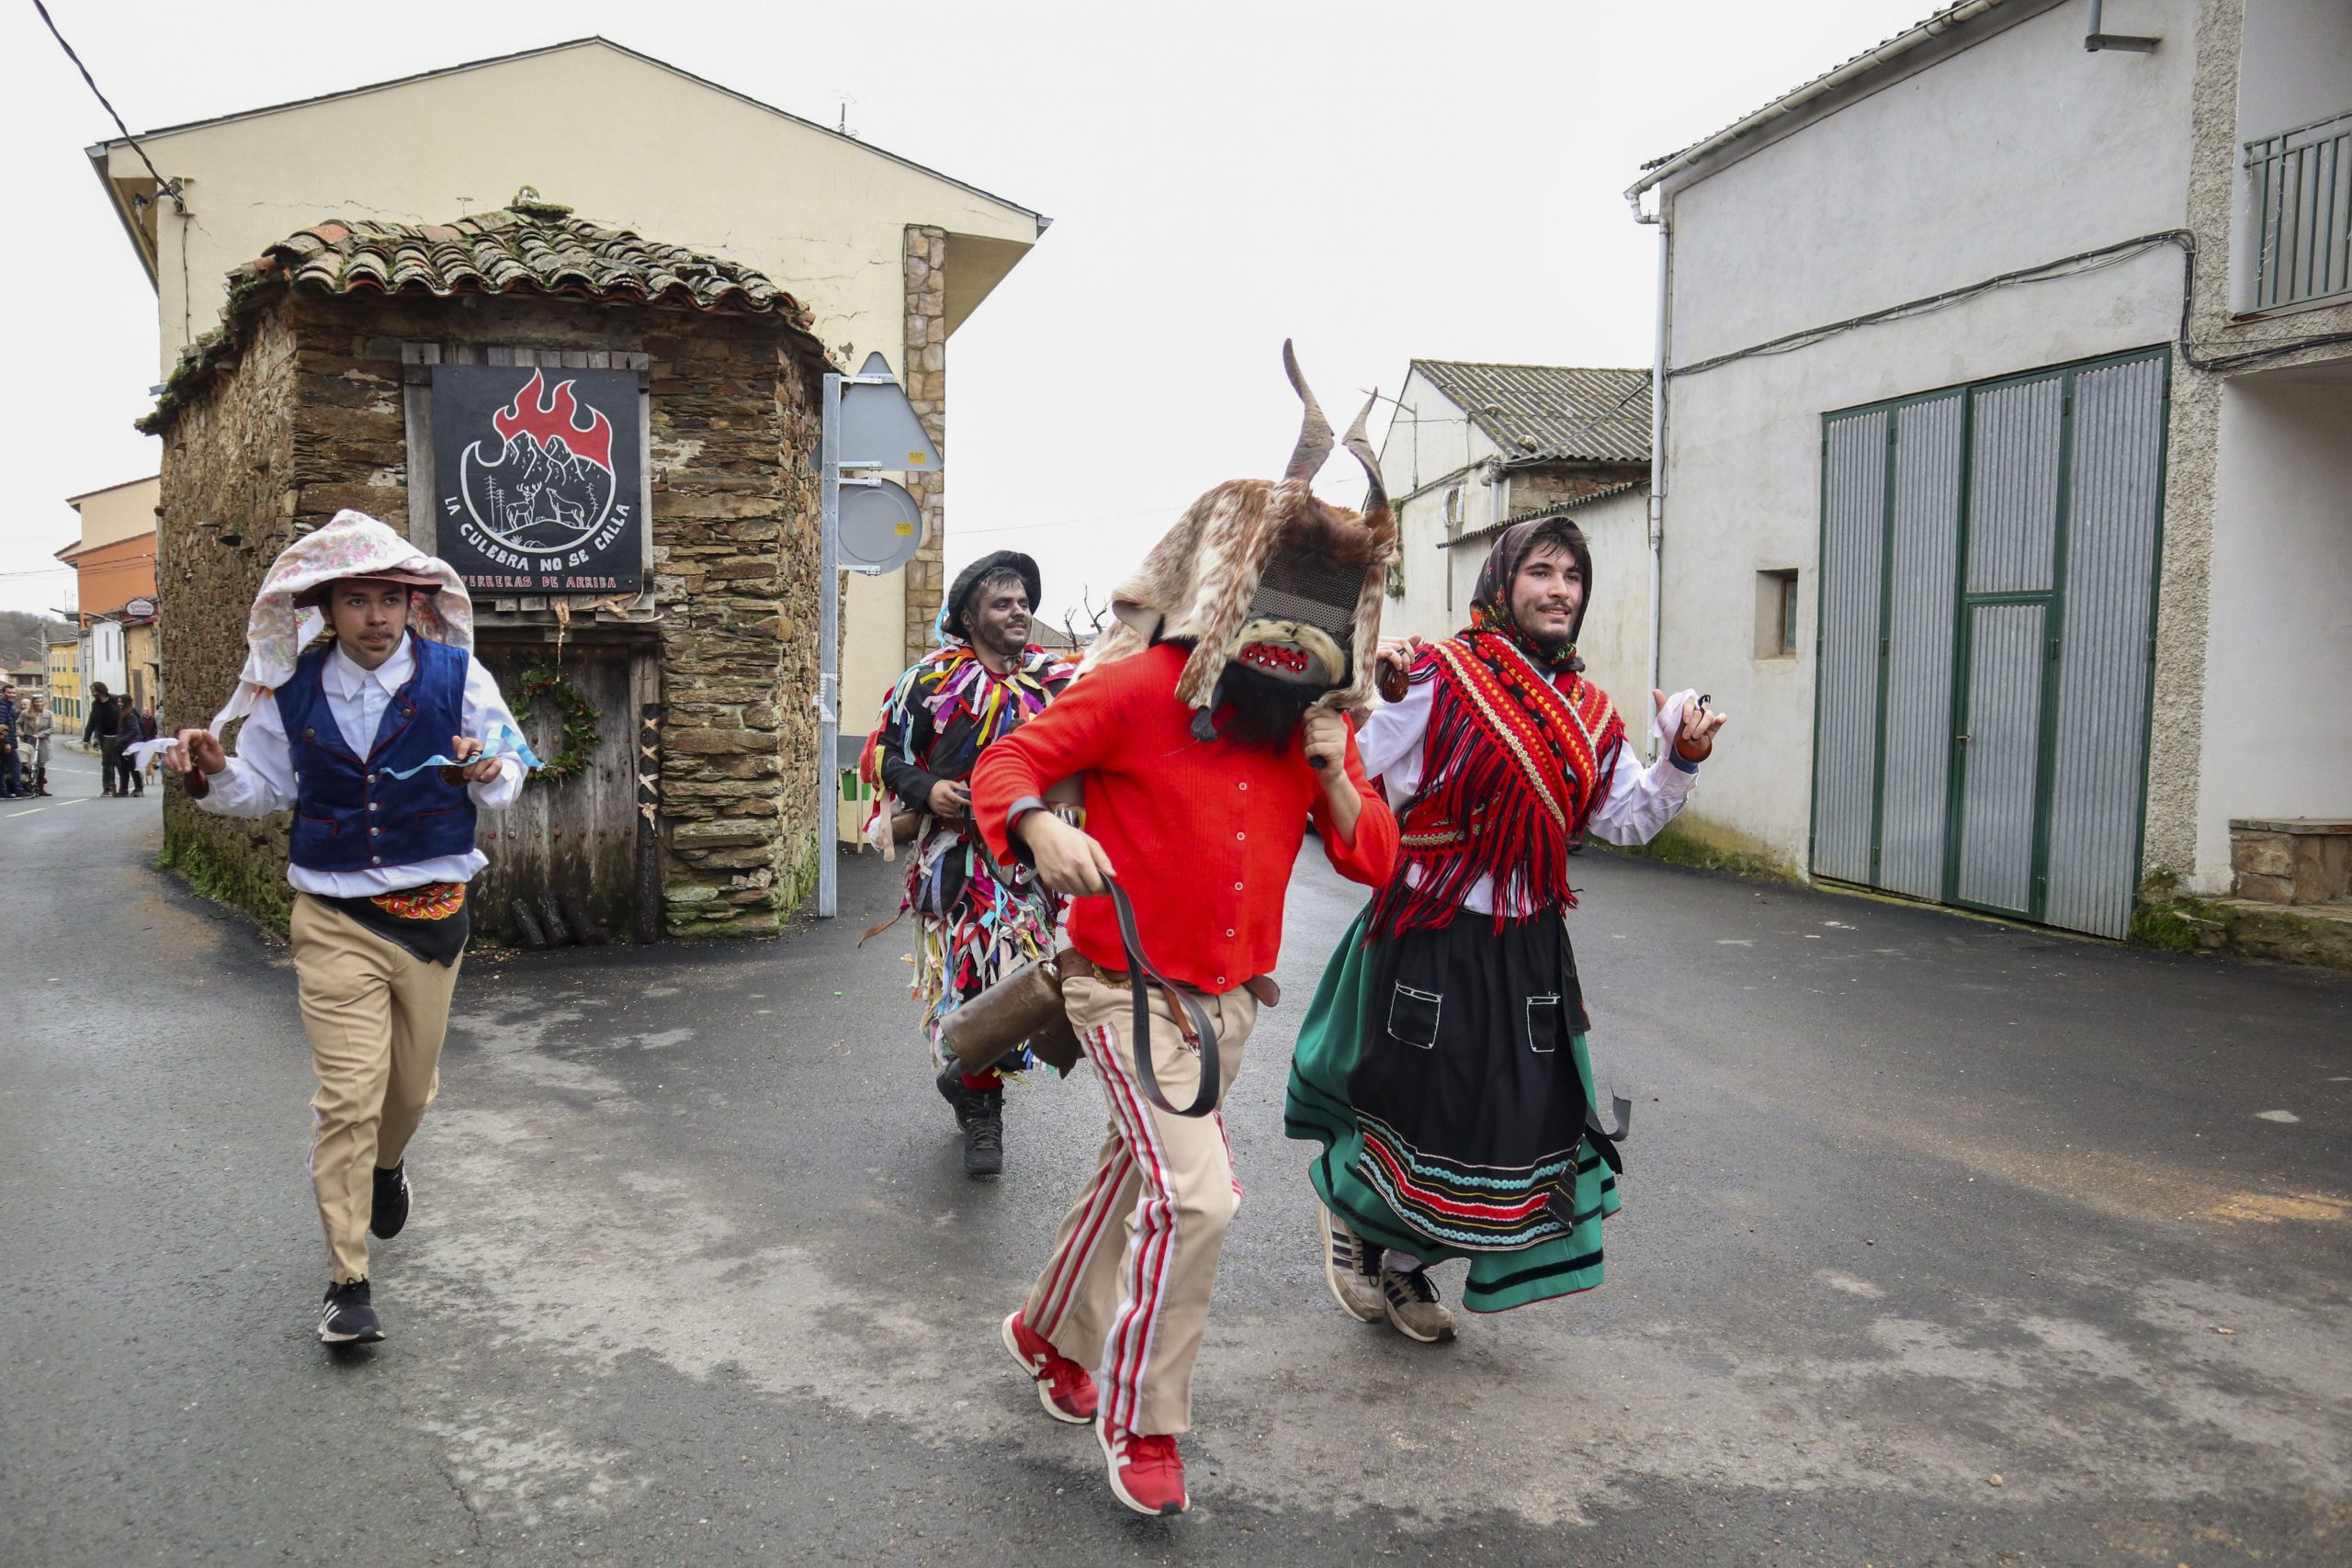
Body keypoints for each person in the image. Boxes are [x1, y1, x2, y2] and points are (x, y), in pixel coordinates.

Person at [972, 345, 1400, 1517]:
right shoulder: (1139, 688)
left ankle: (1049, 1337)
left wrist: (1336, 770)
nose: (1294, 631)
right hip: (1122, 988)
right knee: (1197, 1200)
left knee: (1136, 1176)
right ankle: (1143, 1425)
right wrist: (1033, 824)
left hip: (1227, 1006)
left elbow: (1371, 859)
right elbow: (1007, 759)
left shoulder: (1311, 722)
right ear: (1232, 588)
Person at [1283, 514, 1728, 1345]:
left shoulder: (1589, 712)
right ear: (1503, 582)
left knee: (1507, 1127)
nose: (1560, 589)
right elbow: (1353, 766)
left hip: (1527, 944)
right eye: (1542, 572)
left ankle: (1411, 1267)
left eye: (1573, 577)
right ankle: (1357, 1218)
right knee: (1418, 1106)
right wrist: (1367, 690)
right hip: (1429, 926)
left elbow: (1623, 817)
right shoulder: (1438, 675)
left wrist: (1682, 760)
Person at [167, 510, 525, 1348]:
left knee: (408, 1091)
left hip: (433, 916)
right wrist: (212, 775)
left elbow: (509, 769)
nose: (374, 617)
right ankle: (346, 1280)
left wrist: (489, 765)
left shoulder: (457, 675)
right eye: (356, 599)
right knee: (348, 1098)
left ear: (413, 603)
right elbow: (259, 787)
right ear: (326, 608)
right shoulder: (290, 690)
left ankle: (389, 1166)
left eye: (389, 600)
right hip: (330, 915)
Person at [862, 549, 1076, 1177]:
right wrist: (927, 788)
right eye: (1003, 603)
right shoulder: (927, 682)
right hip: (955, 865)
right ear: (969, 616)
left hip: (1028, 863)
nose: (1020, 612)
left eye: (1023, 602)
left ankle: (967, 1075)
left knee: (1026, 982)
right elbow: (885, 756)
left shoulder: (1054, 682)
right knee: (975, 984)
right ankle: (984, 1114)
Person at [82, 682, 126, 796]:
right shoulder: (96, 705)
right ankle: (107, 787)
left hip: (119, 736)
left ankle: (124, 787)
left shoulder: (116, 700)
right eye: (92, 691)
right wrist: (86, 739)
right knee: (106, 763)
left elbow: (126, 715)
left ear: (101, 690)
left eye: (94, 691)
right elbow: (92, 722)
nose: (93, 694)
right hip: (105, 737)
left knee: (120, 763)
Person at [22, 695, 53, 795]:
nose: (39, 704)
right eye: (37, 702)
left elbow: (52, 728)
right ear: (33, 703)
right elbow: (17, 724)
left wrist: (39, 735)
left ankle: (40, 788)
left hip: (42, 742)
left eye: (41, 701)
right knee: (28, 764)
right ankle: (27, 785)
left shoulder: (48, 714)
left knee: (40, 765)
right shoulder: (25, 713)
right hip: (29, 740)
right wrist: (20, 732)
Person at [0, 683, 19, 799]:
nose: (11, 695)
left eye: (13, 693)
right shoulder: (2, 707)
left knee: (3, 768)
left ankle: (3, 791)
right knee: (16, 764)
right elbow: (1, 727)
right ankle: (19, 790)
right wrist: (7, 743)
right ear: (3, 693)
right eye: (9, 692)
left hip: (8, 742)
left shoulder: (9, 706)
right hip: (5, 743)